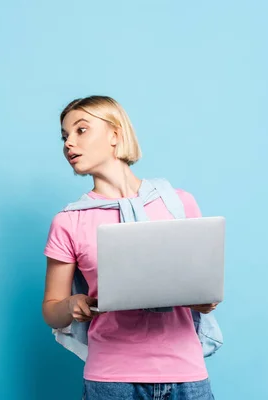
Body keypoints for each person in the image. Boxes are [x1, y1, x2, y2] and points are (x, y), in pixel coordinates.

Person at [42, 95, 220, 400]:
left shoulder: (177, 203)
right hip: (112, 380)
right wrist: (71, 305)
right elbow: (51, 310)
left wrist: (204, 300)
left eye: (80, 130)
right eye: (64, 136)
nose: (68, 143)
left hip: (186, 374)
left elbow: (202, 287)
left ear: (114, 134)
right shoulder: (69, 220)